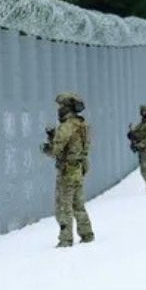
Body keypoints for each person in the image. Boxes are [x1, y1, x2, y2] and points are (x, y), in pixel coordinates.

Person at [41, 92, 94, 247]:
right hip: (78, 168)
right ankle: (86, 233)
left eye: (61, 107)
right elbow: (74, 146)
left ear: (67, 108)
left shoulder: (66, 127)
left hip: (67, 172)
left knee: (63, 206)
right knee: (78, 204)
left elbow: (56, 150)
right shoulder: (83, 125)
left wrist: (47, 146)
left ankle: (65, 239)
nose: (59, 110)